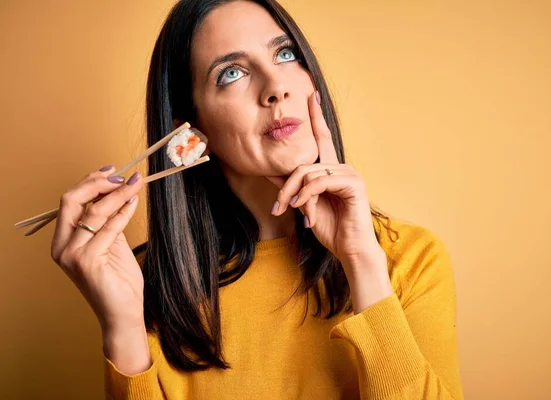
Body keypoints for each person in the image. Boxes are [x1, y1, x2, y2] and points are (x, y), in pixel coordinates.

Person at [50, 0, 464, 398]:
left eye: (285, 54)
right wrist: (123, 323)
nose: (275, 88)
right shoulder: (143, 285)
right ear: (189, 135)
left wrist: (361, 261)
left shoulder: (409, 258)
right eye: (232, 73)